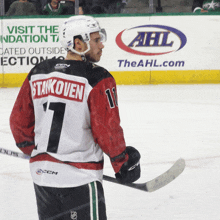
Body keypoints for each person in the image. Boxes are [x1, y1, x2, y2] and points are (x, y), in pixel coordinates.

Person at [10, 15, 141, 219]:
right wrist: (122, 162)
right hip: (79, 179)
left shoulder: (39, 72)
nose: (102, 45)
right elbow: (107, 130)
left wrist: (39, 153)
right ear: (78, 43)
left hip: (42, 177)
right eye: (96, 40)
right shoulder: (97, 78)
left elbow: (19, 124)